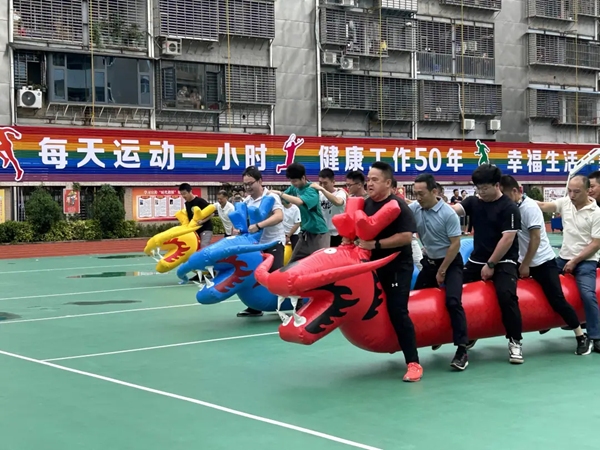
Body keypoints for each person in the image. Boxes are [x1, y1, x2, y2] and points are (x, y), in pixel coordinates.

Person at [500, 175, 591, 355]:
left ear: (515, 191)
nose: (502, 199)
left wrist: (525, 265)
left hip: (542, 261)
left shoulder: (529, 208)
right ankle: (472, 336)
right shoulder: (510, 207)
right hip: (521, 260)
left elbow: (535, 239)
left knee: (557, 300)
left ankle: (581, 336)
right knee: (502, 291)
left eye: (504, 195)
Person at [354, 161, 422, 382]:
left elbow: (406, 237)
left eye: (375, 180)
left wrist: (375, 245)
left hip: (397, 267)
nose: (369, 183)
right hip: (372, 267)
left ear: (388, 183)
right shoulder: (365, 205)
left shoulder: (398, 205)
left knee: (398, 311)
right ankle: (393, 343)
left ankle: (413, 363)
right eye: (368, 179)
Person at [451, 164, 525, 364]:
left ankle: (515, 340)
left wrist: (491, 265)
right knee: (454, 289)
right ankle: (468, 334)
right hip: (477, 259)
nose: (481, 192)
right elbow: (451, 212)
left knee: (506, 295)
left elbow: (507, 239)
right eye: (478, 188)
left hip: (504, 260)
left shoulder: (509, 207)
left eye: (485, 188)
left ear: (497, 185)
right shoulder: (473, 202)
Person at [410, 174, 470, 370]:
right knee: (414, 300)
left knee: (453, 301)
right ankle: (431, 335)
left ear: (434, 191)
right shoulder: (416, 208)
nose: (418, 198)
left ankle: (462, 350)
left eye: (421, 193)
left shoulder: (448, 214)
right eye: (415, 194)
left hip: (451, 263)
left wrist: (442, 270)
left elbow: (455, 245)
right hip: (430, 262)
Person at [536, 174, 600, 353]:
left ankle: (595, 336)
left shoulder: (596, 213)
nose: (571, 195)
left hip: (586, 260)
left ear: (587, 191)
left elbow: (596, 244)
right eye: (569, 191)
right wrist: (521, 199)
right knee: (541, 281)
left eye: (576, 192)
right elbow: (543, 206)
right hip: (563, 258)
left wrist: (574, 261)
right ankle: (548, 320)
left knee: (587, 294)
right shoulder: (566, 203)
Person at [235, 166, 286, 317]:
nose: (248, 187)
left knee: (275, 276)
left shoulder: (271, 197)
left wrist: (259, 225)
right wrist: (238, 230)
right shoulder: (247, 201)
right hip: (256, 245)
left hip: (273, 242)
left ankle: (289, 306)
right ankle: (255, 307)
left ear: (260, 181)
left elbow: (279, 216)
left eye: (250, 183)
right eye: (245, 184)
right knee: (254, 276)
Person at [270, 163, 329, 263]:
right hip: (305, 233)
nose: (293, 183)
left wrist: (280, 193)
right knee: (293, 262)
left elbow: (299, 201)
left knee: (321, 263)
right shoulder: (294, 188)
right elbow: (284, 199)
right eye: (291, 181)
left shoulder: (312, 189)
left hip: (319, 233)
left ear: (303, 178)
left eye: (295, 181)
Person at [312, 168, 347, 247]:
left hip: (339, 234)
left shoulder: (340, 192)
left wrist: (322, 189)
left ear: (333, 182)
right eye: (320, 183)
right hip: (324, 233)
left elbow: (338, 202)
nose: (322, 186)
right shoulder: (319, 194)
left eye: (325, 183)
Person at [179, 183, 213, 249]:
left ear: (190, 191)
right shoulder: (187, 204)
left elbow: (212, 213)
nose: (183, 196)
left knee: (203, 247)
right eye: (182, 194)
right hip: (195, 230)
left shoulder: (200, 201)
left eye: (184, 193)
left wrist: (202, 221)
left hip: (205, 229)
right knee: (194, 248)